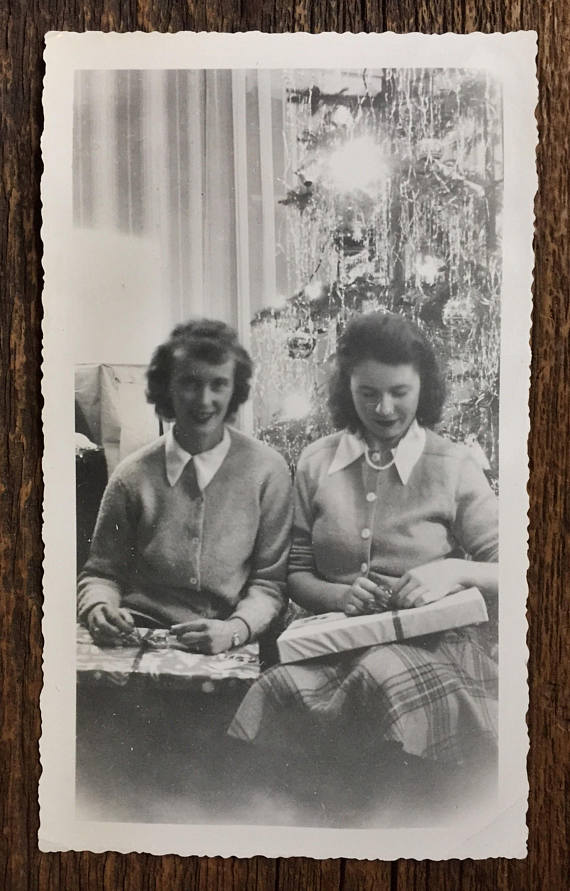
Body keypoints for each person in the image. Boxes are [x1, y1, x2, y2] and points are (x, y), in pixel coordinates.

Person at [228, 311, 499, 809]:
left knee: (384, 673)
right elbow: (296, 573)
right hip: (334, 647)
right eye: (367, 392)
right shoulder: (315, 461)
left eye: (400, 391)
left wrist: (452, 571)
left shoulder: (454, 464)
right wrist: (339, 595)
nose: (385, 407)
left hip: (435, 649)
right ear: (345, 388)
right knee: (279, 688)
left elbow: (522, 567)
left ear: (425, 386)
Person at [77, 319, 292, 654]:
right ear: (167, 388)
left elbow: (269, 584)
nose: (204, 400)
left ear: (235, 390)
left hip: (230, 639)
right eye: (190, 383)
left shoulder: (268, 470)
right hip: (138, 634)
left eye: (219, 384)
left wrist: (235, 630)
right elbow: (101, 574)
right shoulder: (131, 475)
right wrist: (98, 608)